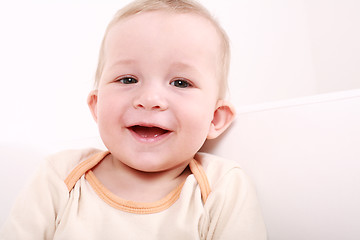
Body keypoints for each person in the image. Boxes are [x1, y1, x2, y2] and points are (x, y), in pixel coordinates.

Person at [0, 0, 267, 239]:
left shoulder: (221, 187)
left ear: (215, 118)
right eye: (128, 79)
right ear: (96, 105)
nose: (149, 99)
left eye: (181, 83)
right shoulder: (60, 175)